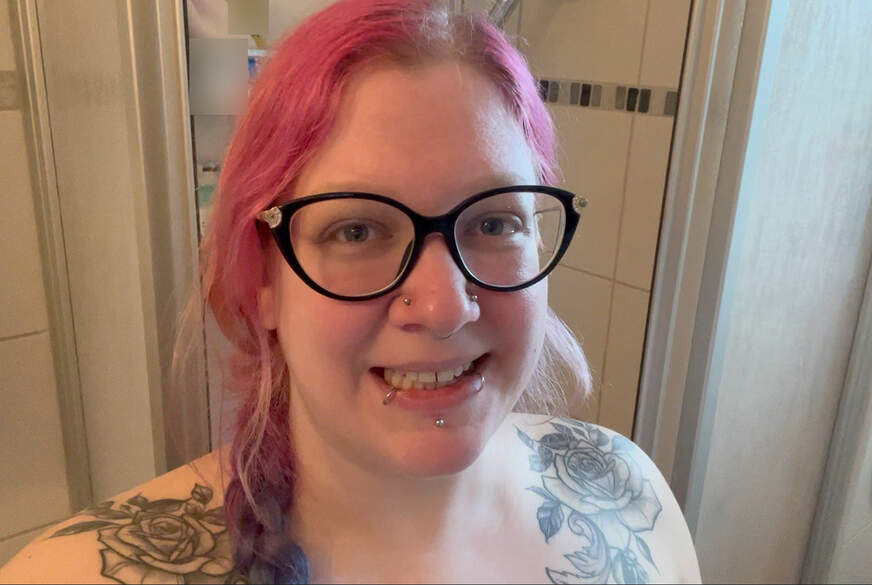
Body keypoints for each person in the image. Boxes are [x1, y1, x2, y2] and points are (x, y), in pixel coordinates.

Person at [0, 0, 701, 582]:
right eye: (357, 231)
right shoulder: (65, 574)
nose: (444, 306)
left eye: (494, 222)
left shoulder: (632, 498)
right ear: (262, 278)